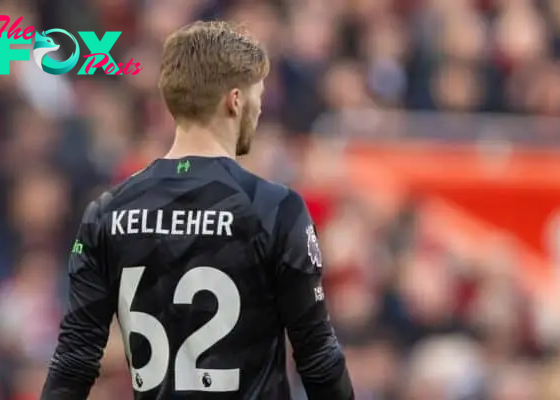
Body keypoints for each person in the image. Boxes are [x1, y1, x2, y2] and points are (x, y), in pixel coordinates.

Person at [40, 21, 354, 400]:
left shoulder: (107, 212)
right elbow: (318, 356)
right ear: (235, 100)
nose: (259, 109)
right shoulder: (275, 208)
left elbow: (74, 360)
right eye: (258, 96)